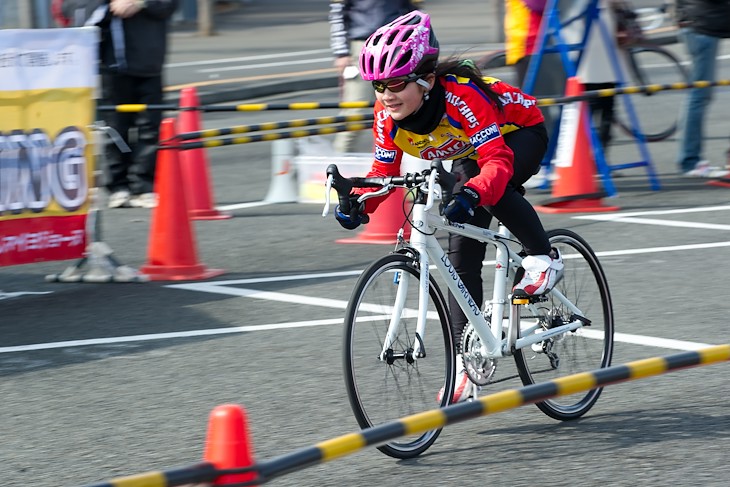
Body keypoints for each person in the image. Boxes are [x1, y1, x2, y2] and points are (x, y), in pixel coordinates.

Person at [333, 10, 564, 402]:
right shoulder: (387, 115)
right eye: (378, 86)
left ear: (426, 80)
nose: (386, 94)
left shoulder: (462, 96)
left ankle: (544, 258)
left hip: (516, 134)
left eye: (396, 83)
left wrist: (474, 192)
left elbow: (496, 161)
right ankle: (466, 366)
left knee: (494, 187)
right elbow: (383, 171)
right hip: (468, 151)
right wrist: (359, 204)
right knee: (461, 259)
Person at [61, 0, 179, 208]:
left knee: (150, 129)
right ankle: (119, 186)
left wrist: (140, 3)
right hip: (112, 66)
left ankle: (143, 185)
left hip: (150, 63)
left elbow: (168, 5)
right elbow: (73, 9)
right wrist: (111, 5)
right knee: (116, 130)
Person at [328, 0, 421, 154]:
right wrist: (341, 52)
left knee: (403, 110)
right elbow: (338, 13)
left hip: (398, 44)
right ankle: (339, 161)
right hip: (364, 45)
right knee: (355, 114)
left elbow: (414, 11)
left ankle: (396, 163)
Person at [675, 0, 730, 178]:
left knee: (698, 95)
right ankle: (690, 160)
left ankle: (690, 159)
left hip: (698, 22)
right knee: (699, 96)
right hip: (703, 25)